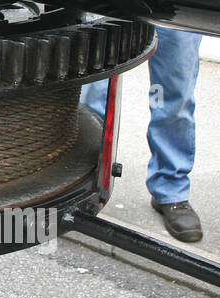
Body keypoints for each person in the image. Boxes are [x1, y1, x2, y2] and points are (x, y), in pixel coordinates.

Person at [82, 27, 204, 242]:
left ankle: (171, 189)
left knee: (170, 95)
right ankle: (83, 185)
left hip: (174, 2)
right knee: (95, 87)